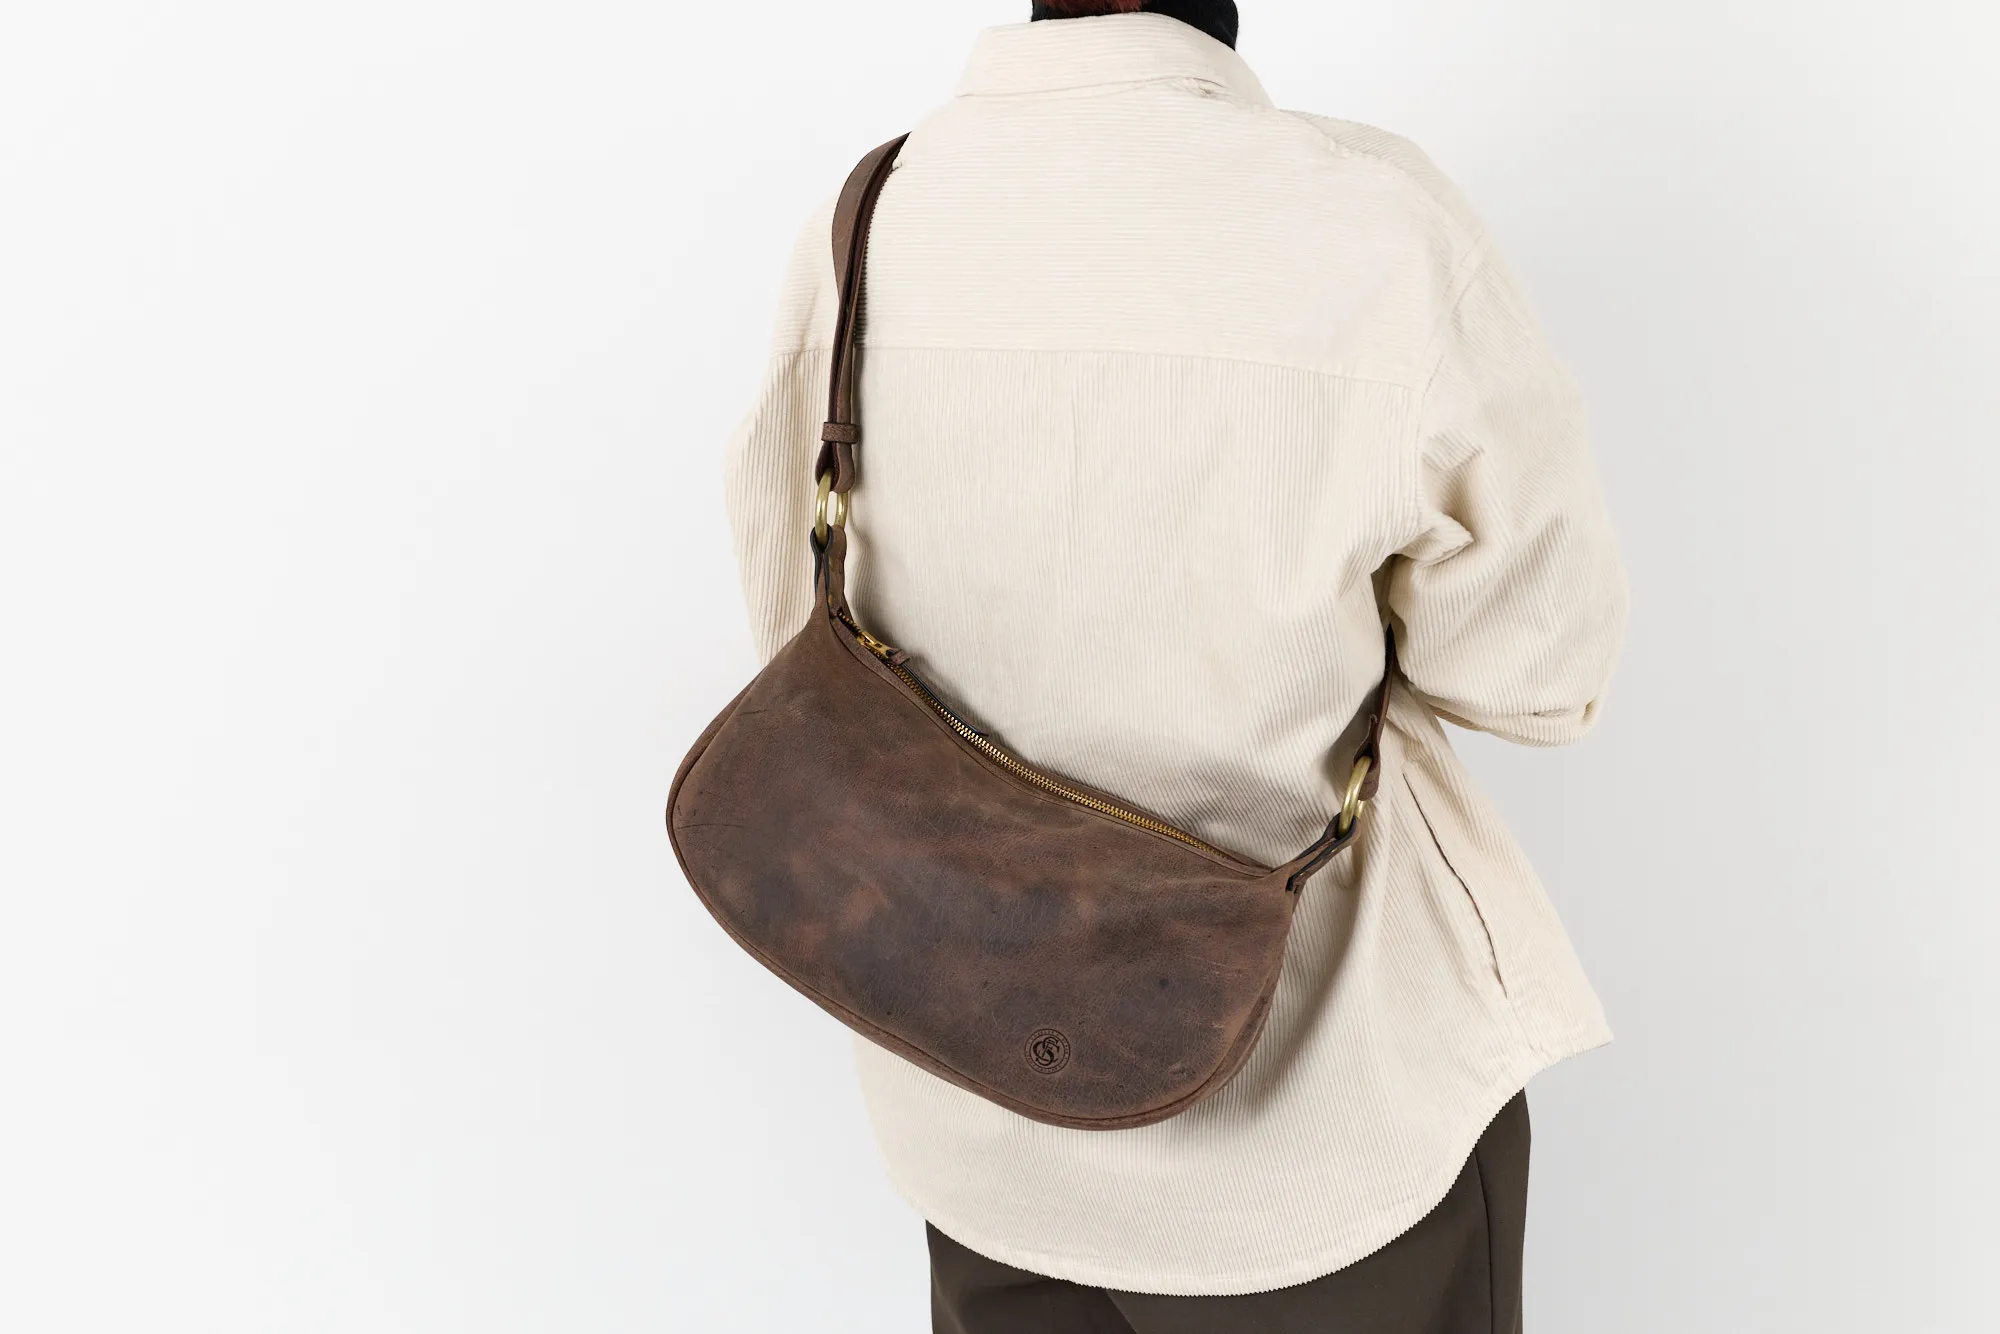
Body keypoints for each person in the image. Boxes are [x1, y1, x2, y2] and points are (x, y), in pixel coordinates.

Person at [717, 3, 1628, 1329]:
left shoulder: (867, 222)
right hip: (1313, 1139)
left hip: (975, 1112)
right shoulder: (1377, 228)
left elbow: (798, 629)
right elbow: (1536, 669)